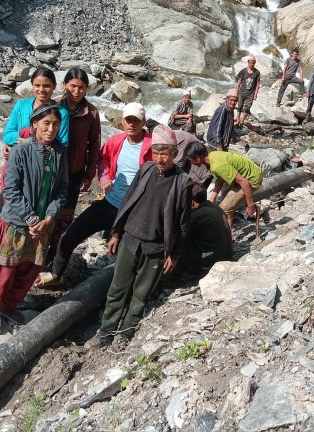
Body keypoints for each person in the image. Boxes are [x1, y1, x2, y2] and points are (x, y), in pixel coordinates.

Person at [86, 125, 191, 349]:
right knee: (117, 289)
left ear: (174, 153)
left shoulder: (182, 182)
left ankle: (125, 333)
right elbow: (127, 202)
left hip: (155, 248)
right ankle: (105, 333)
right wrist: (116, 232)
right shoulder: (145, 170)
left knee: (140, 294)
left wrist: (174, 254)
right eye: (156, 153)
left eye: (165, 153)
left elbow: (183, 223)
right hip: (130, 240)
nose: (160, 159)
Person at [36, 103, 152, 287]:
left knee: (124, 251)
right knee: (69, 236)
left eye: (136, 121)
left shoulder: (151, 147)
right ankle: (56, 274)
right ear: (122, 121)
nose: (132, 124)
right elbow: (102, 158)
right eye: (128, 120)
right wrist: (105, 179)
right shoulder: (116, 141)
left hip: (134, 210)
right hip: (110, 202)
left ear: (143, 122)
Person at [0, 103, 69, 333]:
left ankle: (8, 305)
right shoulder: (20, 151)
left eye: (56, 124)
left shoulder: (59, 153)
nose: (51, 129)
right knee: (3, 271)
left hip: (43, 225)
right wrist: (30, 218)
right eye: (46, 123)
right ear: (34, 124)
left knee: (28, 269)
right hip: (17, 223)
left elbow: (62, 188)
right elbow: (10, 191)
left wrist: (48, 217)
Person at [50, 68, 101, 259]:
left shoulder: (91, 113)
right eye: (73, 86)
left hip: (74, 170)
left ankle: (55, 253)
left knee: (66, 214)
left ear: (87, 89)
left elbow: (95, 144)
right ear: (65, 85)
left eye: (81, 87)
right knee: (46, 210)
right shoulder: (53, 106)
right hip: (51, 169)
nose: (77, 91)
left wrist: (90, 174)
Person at [185, 141, 262, 234]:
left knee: (223, 210)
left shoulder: (218, 166)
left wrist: (250, 205)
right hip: (246, 176)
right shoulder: (211, 157)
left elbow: (243, 181)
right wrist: (212, 199)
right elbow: (219, 179)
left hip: (252, 179)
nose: (192, 163)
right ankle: (228, 236)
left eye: (191, 160)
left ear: (197, 158)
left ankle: (225, 240)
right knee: (225, 199)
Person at [3, 68, 70, 153]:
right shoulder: (21, 106)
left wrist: (30, 143)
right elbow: (7, 136)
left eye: (46, 86)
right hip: (20, 157)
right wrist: (10, 144)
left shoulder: (61, 113)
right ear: (32, 85)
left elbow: (62, 144)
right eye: (37, 85)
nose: (41, 90)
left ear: (54, 86)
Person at [178, 186, 232, 274]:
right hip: (226, 255)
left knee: (181, 239)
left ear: (191, 202)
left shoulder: (198, 215)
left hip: (212, 260)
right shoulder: (217, 209)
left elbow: (181, 233)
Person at [235, 56, 260, 126]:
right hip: (242, 91)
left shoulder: (257, 72)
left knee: (247, 108)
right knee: (239, 106)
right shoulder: (243, 71)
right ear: (248, 62)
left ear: (255, 63)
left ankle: (242, 121)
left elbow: (258, 84)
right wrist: (236, 90)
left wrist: (255, 94)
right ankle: (237, 120)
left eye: (253, 63)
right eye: (250, 63)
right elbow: (239, 81)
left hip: (251, 93)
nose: (251, 64)